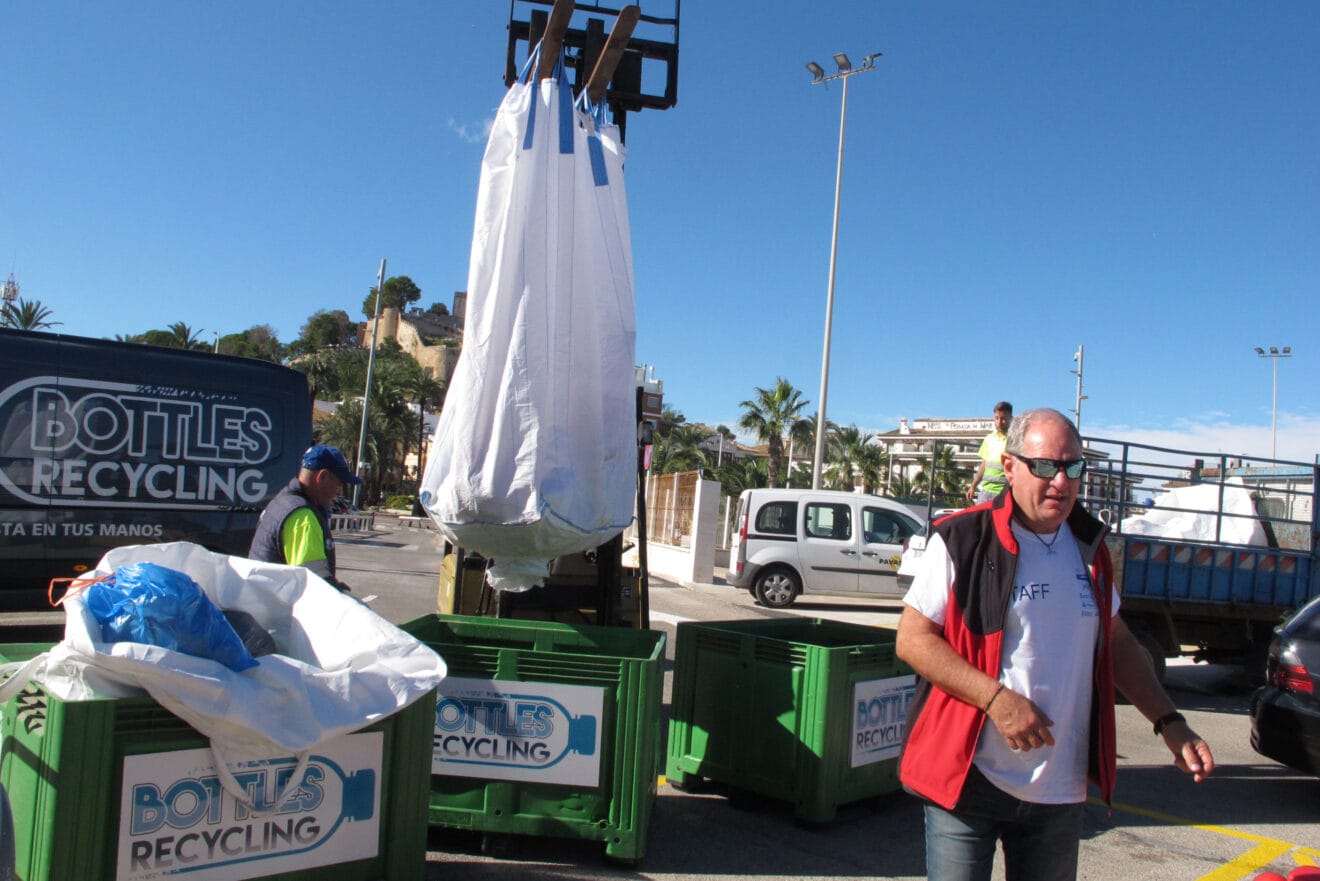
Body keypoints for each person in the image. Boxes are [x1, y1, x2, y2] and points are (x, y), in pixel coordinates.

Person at [896, 408, 1213, 881]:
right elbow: (913, 640)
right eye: (1045, 466)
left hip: (1058, 791)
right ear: (1009, 466)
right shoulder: (963, 538)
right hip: (969, 781)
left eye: (1073, 468)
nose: (1060, 482)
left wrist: (1169, 721)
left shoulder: (1090, 547)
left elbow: (1119, 643)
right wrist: (997, 700)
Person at [248, 444, 362, 591]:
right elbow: (313, 584)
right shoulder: (303, 518)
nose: (338, 491)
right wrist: (337, 592)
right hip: (279, 610)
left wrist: (334, 584)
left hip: (262, 602)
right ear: (323, 476)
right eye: (338, 484)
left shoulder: (282, 502)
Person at [966, 401, 1012, 504]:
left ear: (1010, 419)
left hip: (1004, 492)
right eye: (997, 418)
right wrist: (973, 486)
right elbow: (983, 465)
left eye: (1003, 418)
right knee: (980, 519)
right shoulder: (989, 439)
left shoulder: (1014, 440)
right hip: (985, 491)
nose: (999, 422)